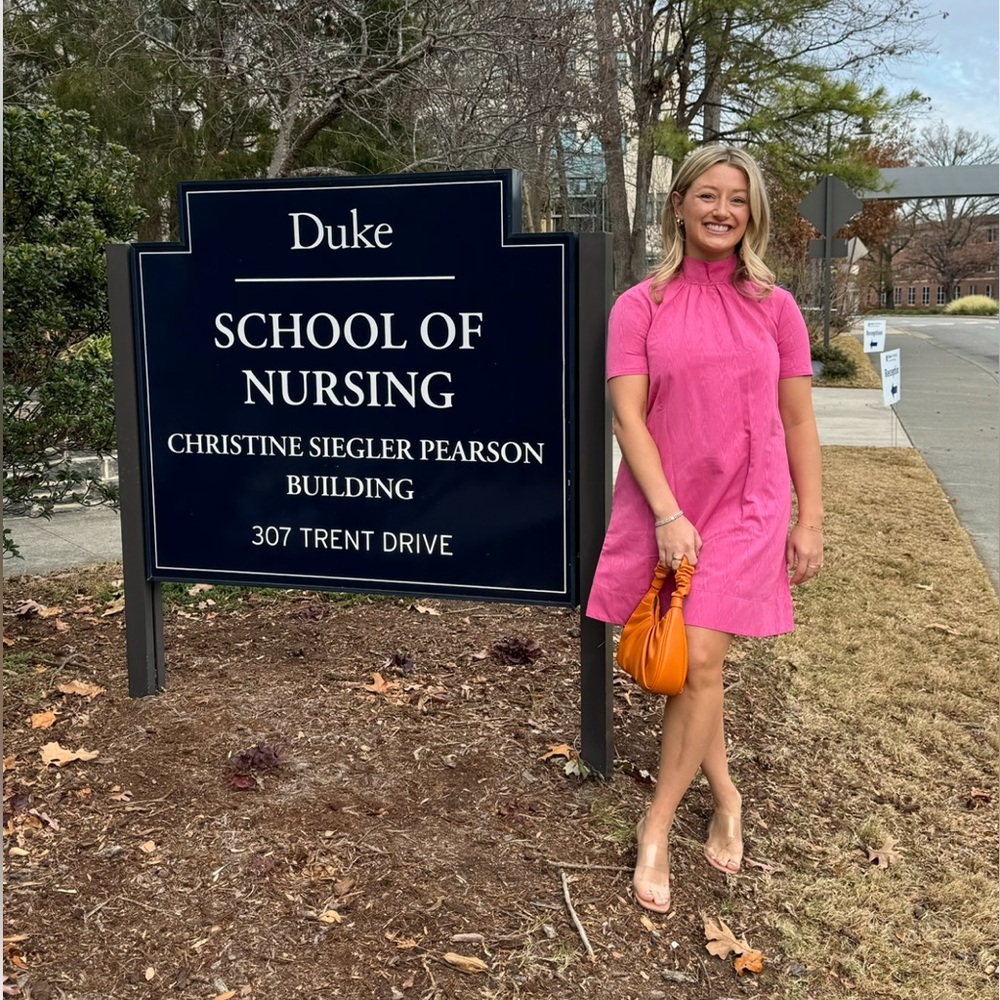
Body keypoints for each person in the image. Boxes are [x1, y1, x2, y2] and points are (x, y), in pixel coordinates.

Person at [586, 145, 824, 914]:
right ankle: (726, 795)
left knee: (702, 659)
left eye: (739, 199)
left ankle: (656, 827)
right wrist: (666, 513)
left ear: (751, 213)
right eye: (709, 196)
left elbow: (797, 419)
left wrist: (809, 518)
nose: (723, 211)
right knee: (695, 669)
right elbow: (628, 415)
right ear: (679, 204)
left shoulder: (776, 306)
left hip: (752, 503)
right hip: (671, 499)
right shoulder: (639, 305)